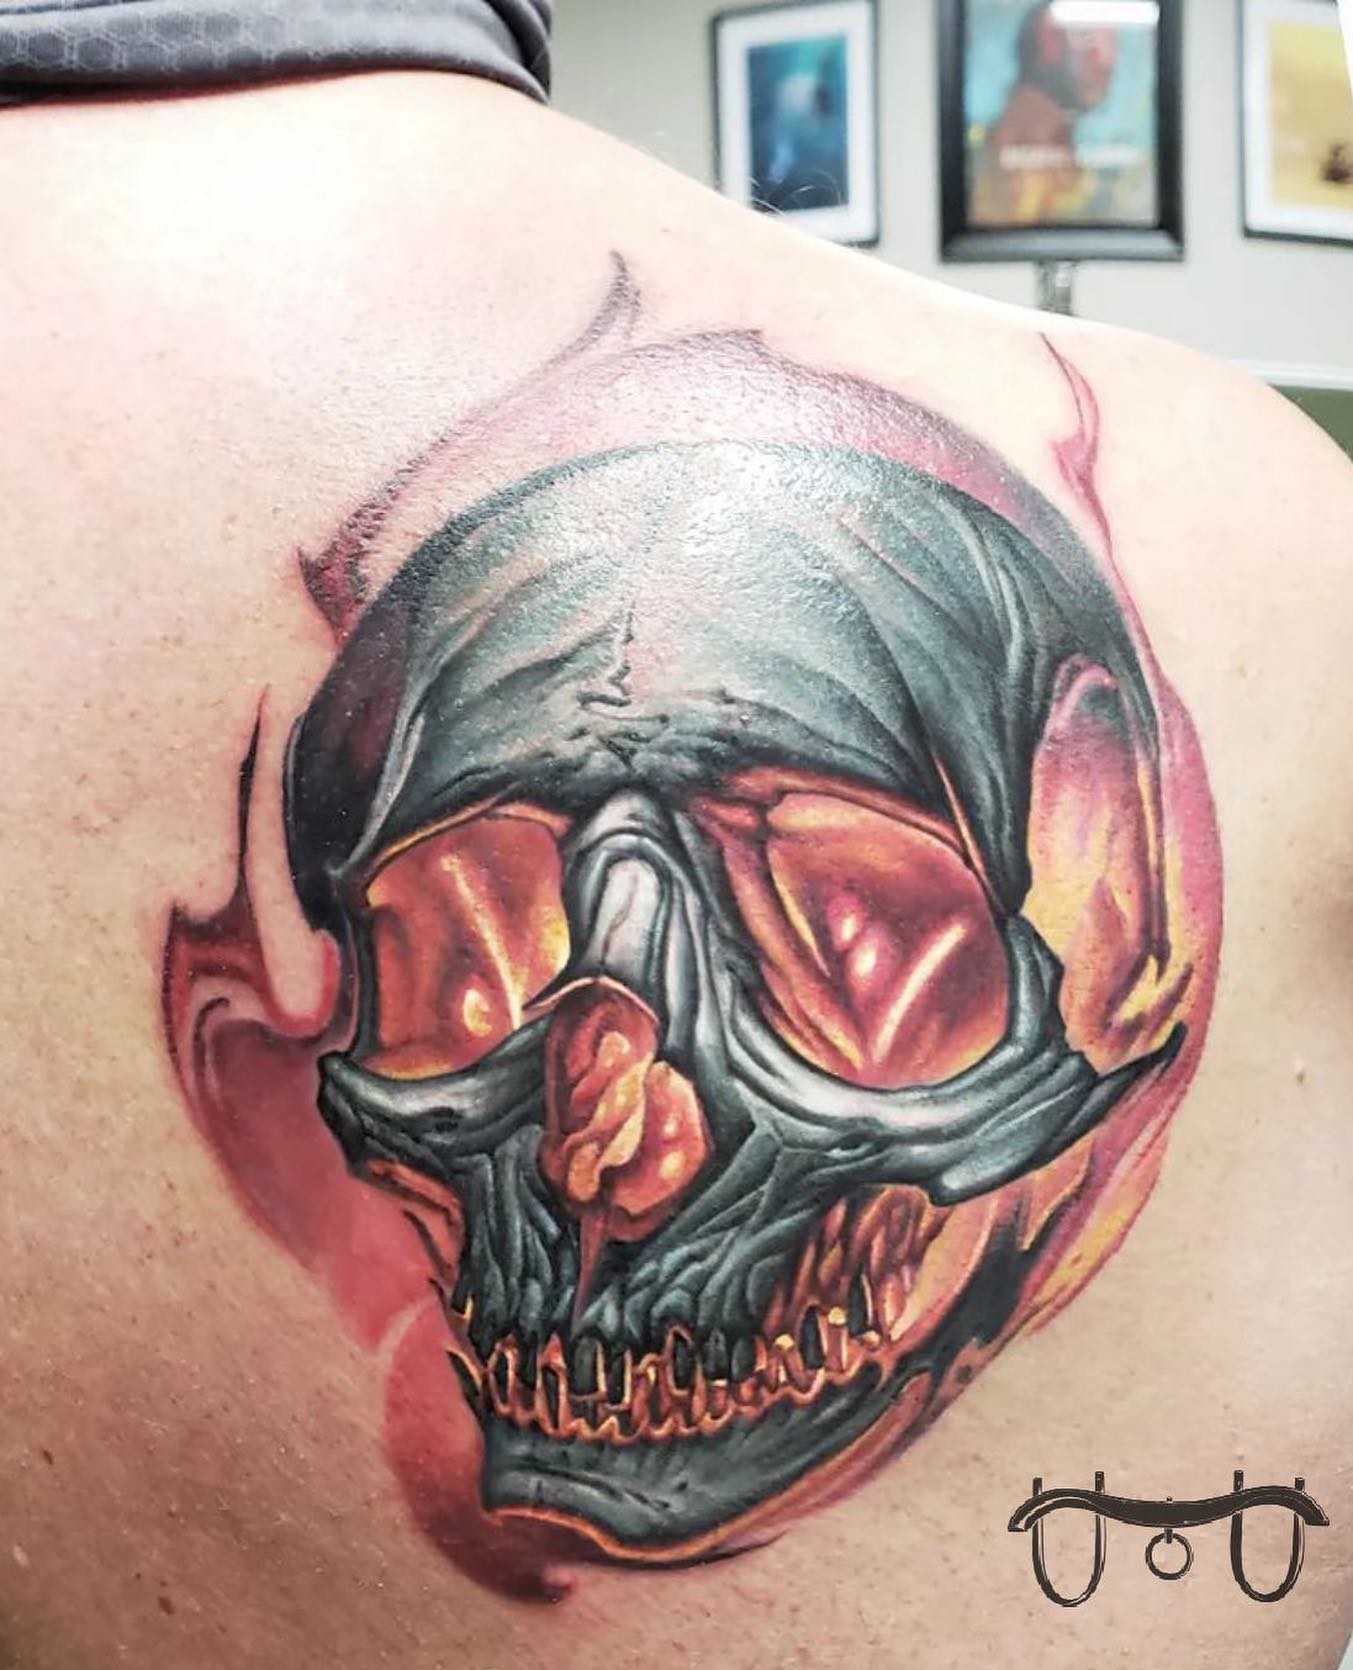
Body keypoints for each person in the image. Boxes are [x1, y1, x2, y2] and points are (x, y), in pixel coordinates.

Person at [0, 4, 1349, 1668]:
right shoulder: (1282, 562)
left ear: (1105, 936)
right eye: (464, 964)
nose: (604, 1155)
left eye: (844, 930)